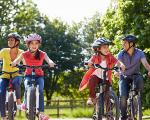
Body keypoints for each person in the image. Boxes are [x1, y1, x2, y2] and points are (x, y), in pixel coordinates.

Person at [11, 33, 55, 119]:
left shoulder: (42, 54)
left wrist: (50, 63)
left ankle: (41, 113)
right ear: (28, 44)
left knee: (41, 90)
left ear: (39, 44)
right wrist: (14, 63)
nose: (34, 45)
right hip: (28, 75)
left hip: (39, 76)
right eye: (32, 43)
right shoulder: (24, 54)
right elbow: (17, 60)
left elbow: (48, 60)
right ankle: (25, 103)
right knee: (27, 87)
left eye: (36, 43)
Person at [79, 37, 125, 105]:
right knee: (92, 79)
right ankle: (92, 97)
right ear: (98, 49)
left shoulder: (110, 56)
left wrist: (121, 65)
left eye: (107, 47)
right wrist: (89, 63)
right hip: (96, 77)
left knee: (108, 94)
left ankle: (109, 112)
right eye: (104, 47)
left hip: (106, 78)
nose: (107, 49)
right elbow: (90, 61)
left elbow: (117, 62)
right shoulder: (95, 56)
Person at [117, 34, 150, 120]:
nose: (123, 44)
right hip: (124, 76)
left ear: (131, 44)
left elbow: (145, 64)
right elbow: (118, 64)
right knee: (123, 96)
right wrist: (118, 70)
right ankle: (123, 116)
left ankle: (137, 104)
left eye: (125, 43)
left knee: (139, 82)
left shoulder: (139, 53)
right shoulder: (121, 54)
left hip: (135, 75)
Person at [0, 33, 24, 120]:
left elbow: (25, 63)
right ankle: (3, 116)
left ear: (17, 42)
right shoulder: (4, 51)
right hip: (4, 75)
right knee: (1, 92)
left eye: (12, 40)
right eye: (9, 40)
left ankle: (18, 101)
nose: (9, 41)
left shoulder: (21, 52)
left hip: (16, 74)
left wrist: (25, 68)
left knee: (16, 83)